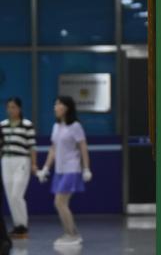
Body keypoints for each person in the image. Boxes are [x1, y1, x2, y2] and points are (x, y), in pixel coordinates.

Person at [36, 96, 92, 247]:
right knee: (61, 203)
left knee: (60, 202)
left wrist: (86, 168)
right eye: (55, 104)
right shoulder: (56, 126)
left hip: (71, 168)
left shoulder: (75, 126)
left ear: (66, 107)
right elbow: (53, 149)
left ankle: (71, 235)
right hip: (59, 170)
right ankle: (72, 232)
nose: (55, 107)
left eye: (58, 104)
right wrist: (45, 168)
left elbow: (83, 147)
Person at [0, 97, 37, 239]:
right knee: (10, 196)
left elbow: (32, 146)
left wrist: (33, 164)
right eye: (9, 107)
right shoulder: (2, 125)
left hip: (22, 161)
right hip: (6, 161)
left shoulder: (27, 125)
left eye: (13, 107)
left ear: (19, 108)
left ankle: (23, 225)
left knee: (17, 194)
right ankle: (18, 226)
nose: (11, 110)